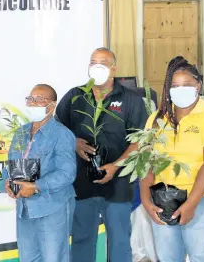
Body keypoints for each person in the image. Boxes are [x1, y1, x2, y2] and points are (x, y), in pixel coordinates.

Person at [56, 48, 148, 262]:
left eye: (103, 62)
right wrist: (74, 142)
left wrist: (115, 166)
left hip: (118, 185)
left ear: (113, 69)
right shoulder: (75, 96)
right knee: (81, 240)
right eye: (93, 62)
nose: (97, 66)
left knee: (119, 243)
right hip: (82, 185)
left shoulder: (131, 100)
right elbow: (57, 131)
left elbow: (141, 141)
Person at [141, 57, 204, 262]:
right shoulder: (156, 119)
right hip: (163, 198)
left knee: (201, 257)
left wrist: (191, 204)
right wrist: (146, 200)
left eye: (186, 85)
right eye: (175, 86)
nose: (180, 90)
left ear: (198, 85)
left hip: (202, 199)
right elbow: (145, 161)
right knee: (168, 258)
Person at [3, 84, 77, 262]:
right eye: (31, 99)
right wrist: (6, 182)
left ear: (52, 105)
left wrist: (36, 186)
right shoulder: (20, 133)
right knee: (27, 258)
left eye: (40, 100)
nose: (34, 103)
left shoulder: (62, 134)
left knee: (53, 258)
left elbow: (67, 173)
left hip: (52, 207)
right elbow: (9, 167)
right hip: (25, 209)